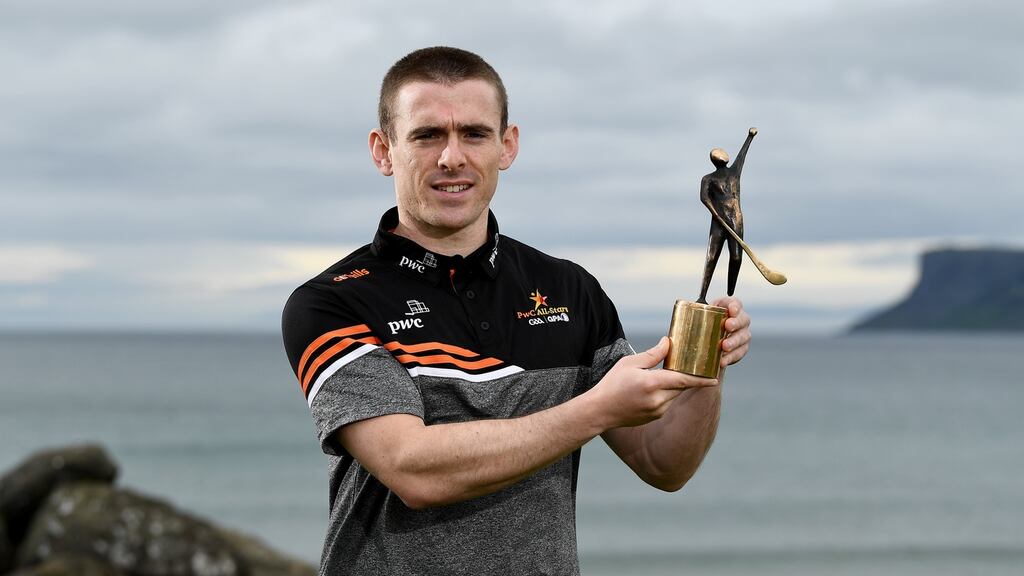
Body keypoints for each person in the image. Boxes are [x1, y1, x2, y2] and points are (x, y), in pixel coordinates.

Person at [281, 46, 752, 575]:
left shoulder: (569, 289)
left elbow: (664, 463)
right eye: (427, 134)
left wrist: (706, 365)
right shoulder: (333, 301)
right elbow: (414, 470)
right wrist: (597, 407)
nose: (451, 158)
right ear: (383, 150)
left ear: (508, 146)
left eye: (475, 134)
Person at [697, 127, 757, 304]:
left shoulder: (734, 172)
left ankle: (731, 288)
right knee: (711, 256)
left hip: (735, 220)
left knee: (737, 256)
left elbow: (742, 155)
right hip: (718, 223)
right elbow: (704, 198)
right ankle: (702, 296)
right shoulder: (708, 179)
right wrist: (716, 215)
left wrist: (749, 137)